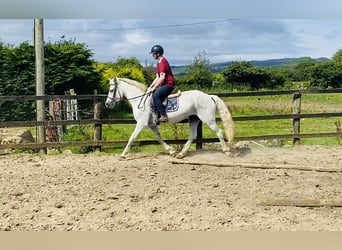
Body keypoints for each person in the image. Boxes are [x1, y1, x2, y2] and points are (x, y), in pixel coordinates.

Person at [148, 45, 176, 123]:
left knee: (156, 96)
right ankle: (156, 114)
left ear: (158, 54)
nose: (153, 55)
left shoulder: (163, 62)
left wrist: (154, 88)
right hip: (164, 84)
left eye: (153, 53)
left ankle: (163, 115)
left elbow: (162, 78)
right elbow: (157, 77)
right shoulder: (159, 63)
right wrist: (150, 87)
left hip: (169, 84)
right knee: (152, 93)